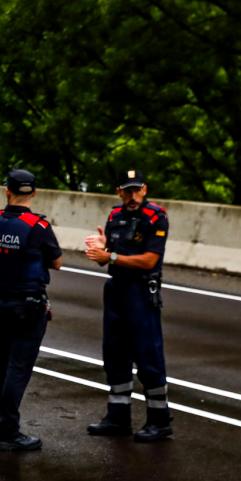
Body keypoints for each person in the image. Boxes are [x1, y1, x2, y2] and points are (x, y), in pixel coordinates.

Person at [84, 169, 172, 443]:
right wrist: (102, 247)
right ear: (119, 192)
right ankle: (118, 416)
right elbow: (109, 255)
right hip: (116, 289)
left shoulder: (156, 217)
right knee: (114, 352)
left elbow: (148, 260)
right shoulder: (114, 215)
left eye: (137, 190)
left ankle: (159, 420)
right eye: (127, 191)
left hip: (140, 290)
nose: (133, 196)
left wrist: (110, 256)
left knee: (147, 354)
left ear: (144, 190)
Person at [0, 169, 63, 452]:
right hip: (29, 306)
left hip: (1, 302)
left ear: (7, 191)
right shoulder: (38, 226)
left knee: (3, 367)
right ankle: (8, 432)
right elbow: (57, 262)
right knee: (18, 369)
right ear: (34, 193)